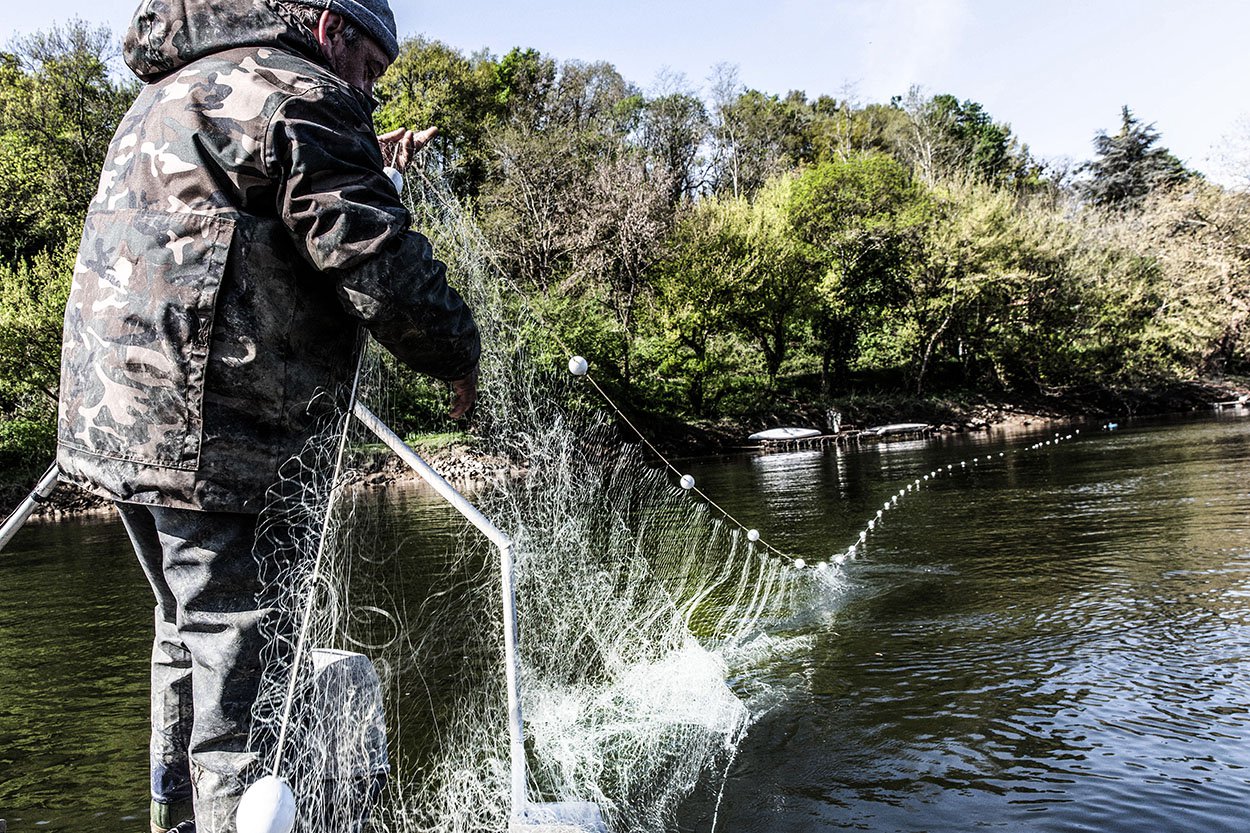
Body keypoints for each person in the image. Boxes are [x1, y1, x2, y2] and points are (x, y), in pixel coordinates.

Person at [54, 0, 480, 830]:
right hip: (219, 438)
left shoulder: (180, 86)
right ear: (330, 26)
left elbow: (253, 200)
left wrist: (369, 158)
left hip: (117, 433)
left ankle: (173, 820)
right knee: (245, 700)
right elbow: (373, 258)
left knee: (186, 636)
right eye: (370, 63)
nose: (369, 85)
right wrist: (458, 356)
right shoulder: (303, 96)